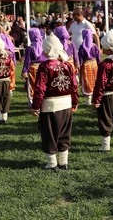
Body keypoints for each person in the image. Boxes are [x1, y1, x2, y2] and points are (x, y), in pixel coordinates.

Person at [31, 33, 79, 170]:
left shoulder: (45, 66)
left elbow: (40, 88)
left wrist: (36, 106)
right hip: (66, 104)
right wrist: (74, 102)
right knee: (64, 133)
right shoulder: (67, 65)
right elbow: (74, 85)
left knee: (49, 134)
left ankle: (52, 163)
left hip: (50, 106)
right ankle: (63, 162)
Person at [78, 29, 100, 105]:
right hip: (94, 64)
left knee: (87, 81)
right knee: (94, 79)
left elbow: (80, 58)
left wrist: (79, 66)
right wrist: (99, 63)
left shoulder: (82, 46)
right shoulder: (95, 46)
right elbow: (98, 57)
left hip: (86, 65)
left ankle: (89, 99)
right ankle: (94, 97)